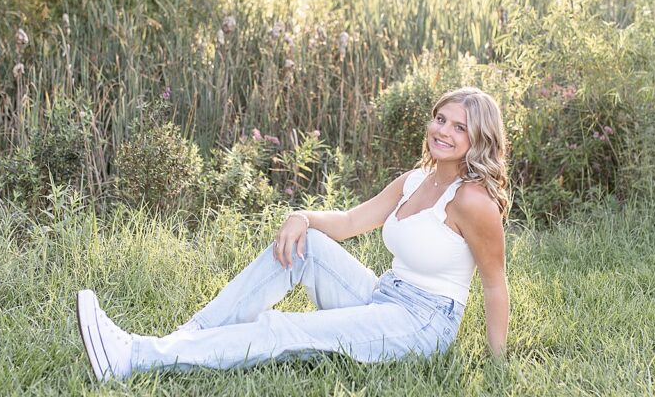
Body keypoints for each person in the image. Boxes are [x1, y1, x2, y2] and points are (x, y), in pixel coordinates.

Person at [76, 86, 510, 380]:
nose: (443, 132)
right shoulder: (415, 180)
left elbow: (494, 284)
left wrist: (498, 366)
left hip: (423, 323)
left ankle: (135, 357)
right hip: (386, 294)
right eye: (440, 119)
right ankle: (179, 343)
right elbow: (348, 223)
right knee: (307, 246)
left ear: (478, 138)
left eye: (459, 127)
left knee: (285, 331)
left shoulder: (472, 201)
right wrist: (301, 216)